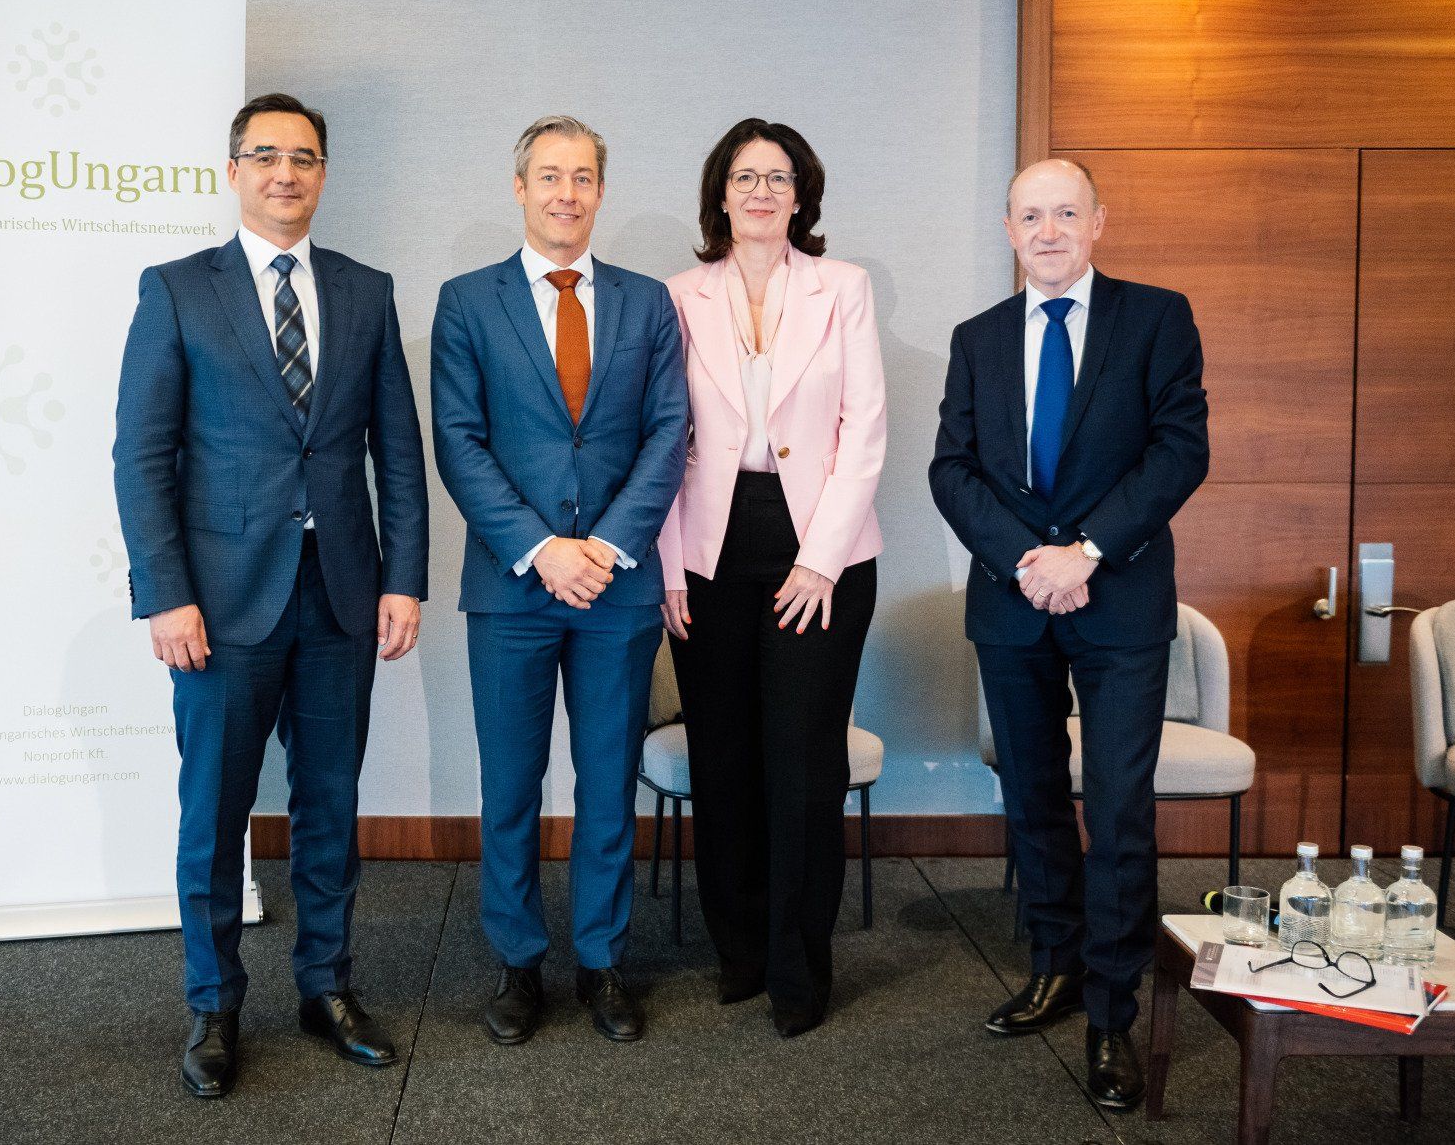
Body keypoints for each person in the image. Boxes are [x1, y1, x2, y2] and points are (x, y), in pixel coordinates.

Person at [113, 92, 428, 1098]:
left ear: (324, 172)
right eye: (265, 155)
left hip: (341, 596)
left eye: (303, 157)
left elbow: (398, 454)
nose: (285, 172)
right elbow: (140, 456)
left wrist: (404, 578)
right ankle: (213, 1004)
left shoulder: (367, 291)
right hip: (219, 605)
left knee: (331, 803)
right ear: (233, 171)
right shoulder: (177, 290)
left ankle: (326, 986)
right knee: (214, 810)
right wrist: (165, 594)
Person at [928, 158, 1208, 1111]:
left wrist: (1084, 551)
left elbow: (1181, 449)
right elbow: (953, 469)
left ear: (1098, 222)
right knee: (1034, 795)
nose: (1047, 231)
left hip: (1118, 597)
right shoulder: (977, 337)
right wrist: (1028, 561)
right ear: (1008, 229)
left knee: (1120, 808)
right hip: (1014, 600)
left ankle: (1112, 1014)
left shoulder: (1156, 318)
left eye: (1065, 213)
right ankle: (1055, 965)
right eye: (1029, 215)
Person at [430, 115, 687, 1045]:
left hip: (617, 589)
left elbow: (669, 431)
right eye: (549, 176)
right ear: (520, 188)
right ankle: (517, 960)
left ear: (600, 191)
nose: (566, 193)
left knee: (608, 783)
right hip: (512, 588)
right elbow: (457, 440)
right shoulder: (468, 301)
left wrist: (606, 546)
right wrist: (542, 548)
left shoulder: (648, 302)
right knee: (510, 783)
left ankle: (602, 959)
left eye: (582, 177)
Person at [656, 119, 885, 1036]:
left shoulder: (843, 287)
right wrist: (669, 564)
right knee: (722, 756)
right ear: (720, 193)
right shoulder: (678, 295)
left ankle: (799, 966)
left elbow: (863, 430)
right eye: (745, 176)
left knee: (802, 761)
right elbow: (659, 439)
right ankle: (740, 950)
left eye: (778, 178)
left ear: (801, 196)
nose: (760, 191)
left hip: (821, 549)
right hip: (707, 545)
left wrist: (820, 558)